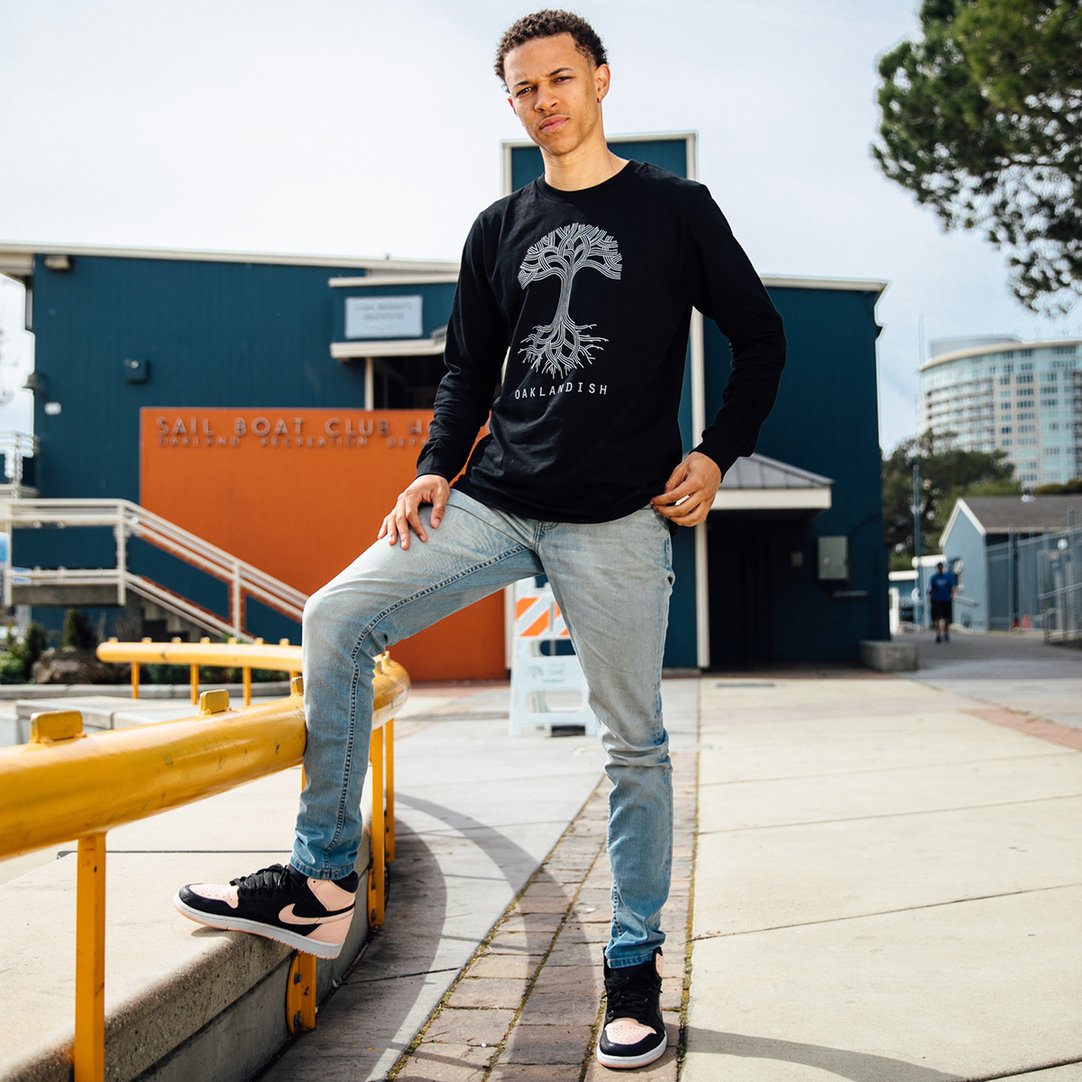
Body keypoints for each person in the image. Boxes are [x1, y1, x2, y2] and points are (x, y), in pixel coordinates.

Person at [174, 9, 785, 1071]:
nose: (544, 100)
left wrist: (718, 451)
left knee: (632, 746)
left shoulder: (674, 210)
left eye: (560, 78)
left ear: (601, 79)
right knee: (336, 617)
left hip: (620, 516)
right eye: (524, 88)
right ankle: (321, 878)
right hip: (496, 496)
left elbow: (760, 336)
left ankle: (632, 970)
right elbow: (467, 368)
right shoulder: (499, 226)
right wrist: (430, 465)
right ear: (511, 102)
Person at [928, 560, 958, 642]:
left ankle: (946, 631)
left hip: (946, 599)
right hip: (937, 600)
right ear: (937, 568)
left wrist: (953, 595)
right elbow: (931, 589)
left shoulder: (948, 576)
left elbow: (953, 586)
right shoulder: (934, 578)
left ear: (943, 568)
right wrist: (931, 599)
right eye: (938, 567)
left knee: (947, 618)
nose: (940, 569)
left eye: (941, 567)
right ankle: (938, 635)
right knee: (937, 618)